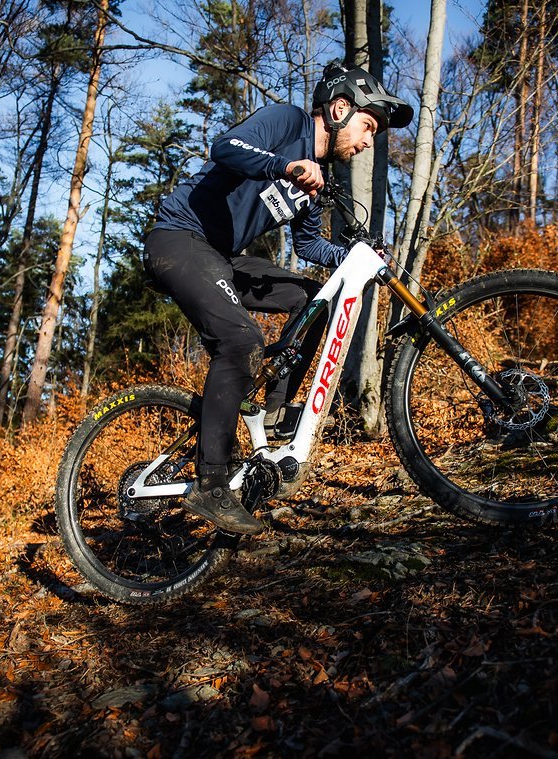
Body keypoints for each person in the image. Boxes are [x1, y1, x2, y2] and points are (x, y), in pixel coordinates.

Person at [143, 62, 413, 535]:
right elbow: (224, 147)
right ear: (339, 108)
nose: (369, 141)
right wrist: (285, 165)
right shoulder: (288, 123)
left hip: (222, 256)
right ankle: (210, 485)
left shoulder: (318, 182)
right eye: (368, 126)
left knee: (312, 299)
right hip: (179, 238)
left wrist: (354, 253)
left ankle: (273, 405)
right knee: (242, 340)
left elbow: (310, 247)